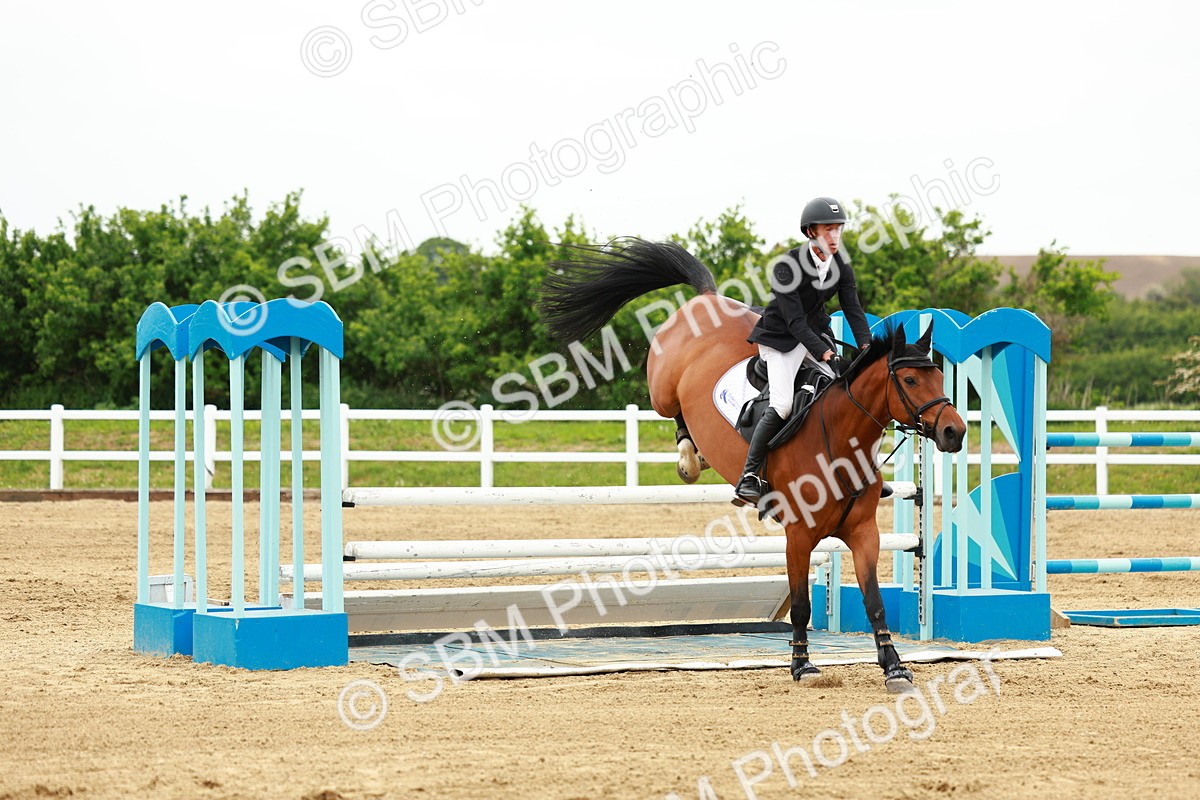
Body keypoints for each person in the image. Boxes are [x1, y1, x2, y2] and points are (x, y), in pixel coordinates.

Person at [733, 196, 874, 506]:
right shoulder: (787, 266)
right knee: (782, 405)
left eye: (839, 230)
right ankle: (750, 475)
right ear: (811, 232)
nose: (835, 237)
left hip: (813, 334)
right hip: (781, 338)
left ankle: (860, 469)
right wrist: (826, 353)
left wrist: (866, 346)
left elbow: (853, 309)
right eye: (828, 230)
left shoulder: (841, 265)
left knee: (845, 394)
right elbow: (795, 322)